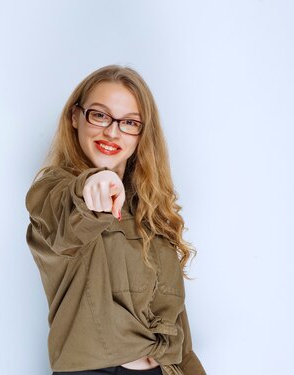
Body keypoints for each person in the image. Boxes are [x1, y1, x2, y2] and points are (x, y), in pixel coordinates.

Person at [24, 65, 206, 375]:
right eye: (99, 115)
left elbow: (177, 331)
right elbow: (68, 213)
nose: (112, 131)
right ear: (75, 117)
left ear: (141, 134)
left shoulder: (151, 211)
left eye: (129, 122)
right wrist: (93, 184)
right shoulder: (53, 190)